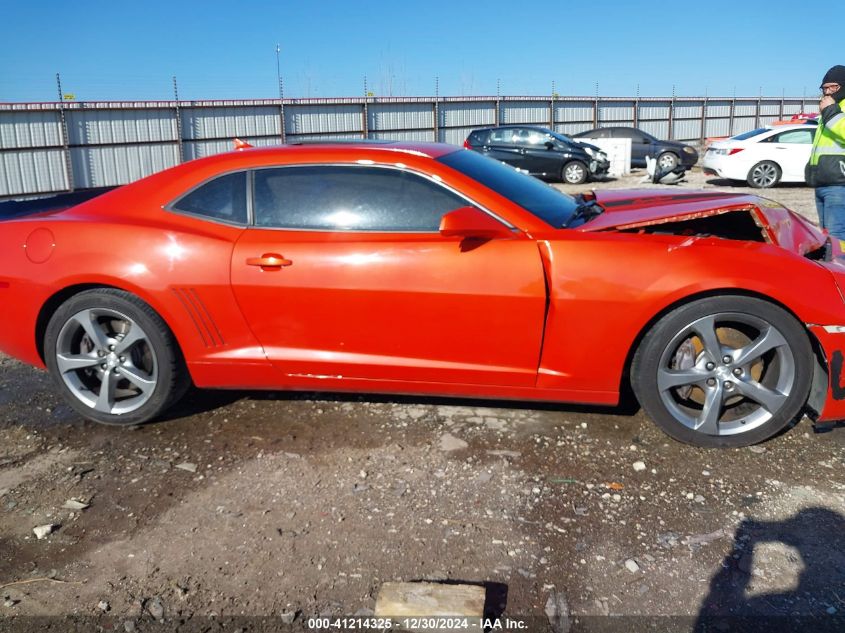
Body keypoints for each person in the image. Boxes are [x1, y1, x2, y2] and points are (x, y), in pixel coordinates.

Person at [807, 65, 845, 241]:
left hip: (840, 184)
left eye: (833, 87)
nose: (828, 92)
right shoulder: (830, 109)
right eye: (825, 88)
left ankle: (840, 267)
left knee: (836, 236)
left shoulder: (835, 109)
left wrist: (831, 112)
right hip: (822, 181)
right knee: (825, 236)